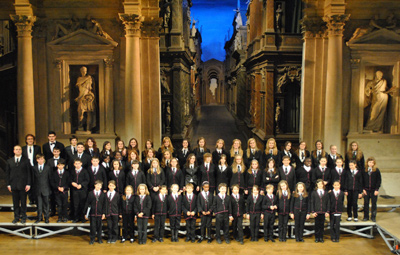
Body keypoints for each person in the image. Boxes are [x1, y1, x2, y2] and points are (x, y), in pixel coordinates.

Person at [6, 145, 31, 224]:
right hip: (13, 185)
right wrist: (8, 184)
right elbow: (7, 174)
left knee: (23, 202)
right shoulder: (9, 161)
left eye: (19, 149)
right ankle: (16, 217)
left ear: (21, 151)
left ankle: (23, 217)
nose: (18, 151)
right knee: (15, 203)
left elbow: (29, 173)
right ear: (14, 151)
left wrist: (28, 184)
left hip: (23, 185)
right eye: (16, 149)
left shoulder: (26, 160)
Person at [84, 180, 106, 245]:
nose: (98, 186)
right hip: (92, 213)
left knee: (99, 227)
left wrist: (104, 213)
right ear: (95, 185)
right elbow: (87, 203)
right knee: (92, 227)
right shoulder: (90, 193)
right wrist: (86, 213)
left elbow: (104, 204)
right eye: (97, 185)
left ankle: (99, 238)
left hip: (100, 213)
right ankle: (92, 239)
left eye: (100, 185)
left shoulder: (103, 194)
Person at [22, 134, 41, 205]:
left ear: (33, 140)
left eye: (31, 139)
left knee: (36, 183)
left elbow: (39, 157)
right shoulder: (23, 148)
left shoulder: (37, 148)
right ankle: (31, 199)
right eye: (28, 139)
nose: (30, 140)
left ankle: (36, 199)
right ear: (26, 140)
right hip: (27, 168)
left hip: (35, 168)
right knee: (28, 183)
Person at [33, 154, 51, 224]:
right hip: (37, 190)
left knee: (46, 205)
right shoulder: (34, 168)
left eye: (42, 159)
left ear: (44, 160)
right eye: (39, 159)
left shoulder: (48, 168)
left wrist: (50, 189)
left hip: (45, 189)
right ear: (37, 160)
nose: (41, 160)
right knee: (39, 205)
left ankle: (46, 218)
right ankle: (39, 217)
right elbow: (33, 179)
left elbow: (50, 179)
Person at [362, 157, 381, 222]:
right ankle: (366, 216)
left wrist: (376, 189)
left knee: (373, 203)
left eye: (372, 163)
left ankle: (373, 217)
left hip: (373, 190)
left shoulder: (376, 170)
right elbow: (362, 180)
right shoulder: (364, 170)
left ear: (374, 163)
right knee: (366, 203)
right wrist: (363, 189)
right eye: (369, 162)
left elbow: (379, 180)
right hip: (366, 189)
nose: (370, 164)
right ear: (367, 163)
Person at [70, 159, 89, 223]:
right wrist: (72, 183)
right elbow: (70, 179)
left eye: (78, 163)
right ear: (74, 164)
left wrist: (81, 185)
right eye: (76, 163)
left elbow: (87, 180)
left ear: (81, 163)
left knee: (82, 204)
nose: (77, 165)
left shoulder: (85, 171)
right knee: (76, 204)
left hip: (83, 190)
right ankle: (76, 217)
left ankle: (82, 217)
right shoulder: (72, 171)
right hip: (75, 190)